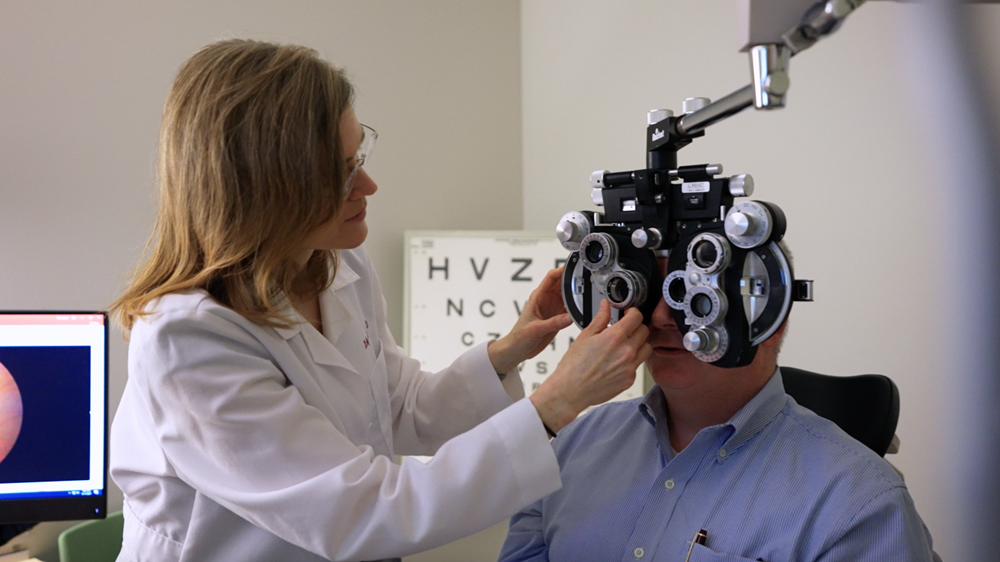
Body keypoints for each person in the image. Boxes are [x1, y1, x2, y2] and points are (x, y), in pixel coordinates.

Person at [108, 39, 651, 562]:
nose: (368, 185)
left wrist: (507, 352)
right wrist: (557, 402)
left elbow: (395, 408)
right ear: (268, 189)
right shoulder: (188, 340)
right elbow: (361, 510)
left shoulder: (335, 262)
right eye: (341, 175)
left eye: (357, 156)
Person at [498, 256, 941, 562]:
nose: (660, 318)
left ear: (770, 313)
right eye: (651, 290)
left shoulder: (859, 504)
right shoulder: (571, 448)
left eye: (697, 298)